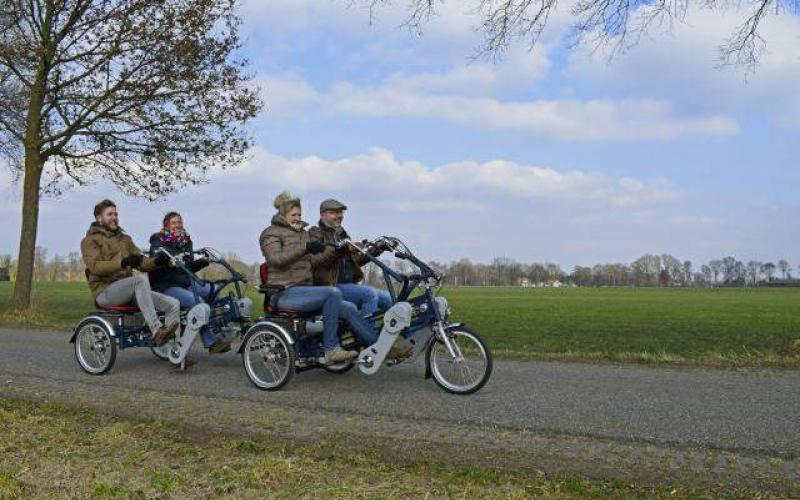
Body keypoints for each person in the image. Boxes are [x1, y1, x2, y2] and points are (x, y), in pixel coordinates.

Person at [260, 192, 386, 364]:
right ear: (282, 215)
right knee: (333, 292)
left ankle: (380, 347)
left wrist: (336, 252)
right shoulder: (270, 234)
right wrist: (305, 248)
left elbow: (314, 261)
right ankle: (331, 349)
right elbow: (276, 259)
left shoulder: (302, 234)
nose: (297, 218)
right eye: (293, 215)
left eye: (299, 215)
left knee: (348, 307)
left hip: (306, 290)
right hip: (285, 293)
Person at [81, 199, 179, 347]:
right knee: (139, 280)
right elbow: (95, 267)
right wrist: (123, 263)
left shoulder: (125, 239)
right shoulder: (90, 241)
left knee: (172, 304)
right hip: (105, 292)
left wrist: (157, 261)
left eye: (116, 214)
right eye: (110, 214)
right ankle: (157, 331)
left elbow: (141, 261)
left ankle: (176, 351)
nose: (114, 217)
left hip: (129, 291)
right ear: (99, 218)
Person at [148, 211, 230, 355]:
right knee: (198, 303)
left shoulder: (186, 242)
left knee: (214, 292)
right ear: (166, 225)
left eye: (180, 222)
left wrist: (204, 261)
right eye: (174, 222)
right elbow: (156, 257)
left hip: (185, 282)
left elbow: (189, 266)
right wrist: (162, 257)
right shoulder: (158, 240)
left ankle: (213, 327)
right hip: (166, 285)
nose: (178, 225)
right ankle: (210, 341)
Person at [309, 199, 393, 317]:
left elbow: (354, 262)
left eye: (340, 213)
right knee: (370, 294)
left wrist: (375, 251)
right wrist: (340, 250)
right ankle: (364, 333)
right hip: (330, 287)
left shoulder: (342, 235)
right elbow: (318, 260)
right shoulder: (316, 233)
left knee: (390, 298)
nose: (339, 216)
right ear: (322, 214)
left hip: (349, 285)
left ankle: (395, 334)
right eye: (334, 213)